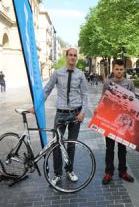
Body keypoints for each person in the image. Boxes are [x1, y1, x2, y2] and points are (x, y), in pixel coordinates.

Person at [35, 47, 88, 185]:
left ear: (77, 58)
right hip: (61, 114)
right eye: (70, 55)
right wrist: (36, 107)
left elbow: (85, 95)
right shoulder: (57, 73)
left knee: (71, 145)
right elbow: (47, 90)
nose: (72, 57)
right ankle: (57, 174)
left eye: (75, 55)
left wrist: (83, 112)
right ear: (66, 56)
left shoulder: (81, 74)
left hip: (76, 114)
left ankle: (69, 170)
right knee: (56, 145)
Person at [102, 59, 135, 185]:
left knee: (122, 149)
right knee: (109, 149)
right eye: (117, 69)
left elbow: (133, 101)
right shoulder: (107, 83)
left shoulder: (129, 83)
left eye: (121, 69)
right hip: (110, 120)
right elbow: (103, 101)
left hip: (124, 122)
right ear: (113, 69)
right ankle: (108, 173)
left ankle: (123, 172)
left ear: (124, 70)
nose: (119, 71)